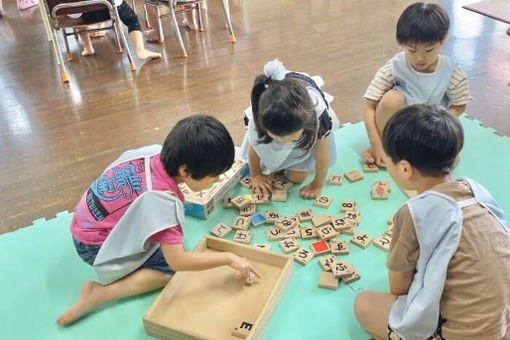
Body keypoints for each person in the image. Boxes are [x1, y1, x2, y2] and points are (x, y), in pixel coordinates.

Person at [56, 115, 261, 326]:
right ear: (185, 171)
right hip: (94, 247)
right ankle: (99, 294)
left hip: (82, 221)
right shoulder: (164, 202)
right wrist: (229, 258)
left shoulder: (152, 152)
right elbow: (179, 262)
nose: (217, 180)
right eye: (214, 176)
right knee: (167, 272)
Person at [354, 104, 510, 340]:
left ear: (405, 168)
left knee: (363, 304)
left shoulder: (413, 212)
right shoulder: (477, 192)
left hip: (462, 333)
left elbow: (399, 289)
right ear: (456, 157)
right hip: (503, 323)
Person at [362, 2, 472, 167]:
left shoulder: (451, 72)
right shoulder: (395, 66)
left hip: (430, 129)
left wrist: (439, 125)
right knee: (392, 98)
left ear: (443, 39)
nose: (419, 58)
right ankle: (388, 146)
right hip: (399, 127)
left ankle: (412, 152)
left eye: (429, 50)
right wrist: (377, 145)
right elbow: (369, 106)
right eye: (412, 50)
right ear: (402, 43)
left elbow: (460, 105)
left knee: (453, 160)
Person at [240, 59, 340, 199]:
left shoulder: (318, 117)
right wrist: (256, 175)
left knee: (297, 177)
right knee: (265, 164)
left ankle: (292, 148)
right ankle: (281, 142)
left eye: (291, 136)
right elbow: (254, 148)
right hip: (280, 114)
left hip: (302, 115)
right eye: (277, 136)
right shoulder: (259, 115)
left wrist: (317, 184)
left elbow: (322, 155)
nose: (283, 141)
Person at [76, 0, 161, 60]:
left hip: (83, 15)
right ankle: (140, 51)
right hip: (110, 9)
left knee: (77, 18)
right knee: (131, 19)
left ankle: (87, 47)